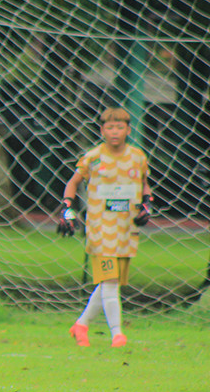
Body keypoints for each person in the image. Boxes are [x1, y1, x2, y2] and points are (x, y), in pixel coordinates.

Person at [58, 107, 152, 348]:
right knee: (110, 282)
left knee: (108, 283)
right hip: (101, 231)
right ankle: (117, 335)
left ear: (128, 130)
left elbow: (144, 186)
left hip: (126, 231)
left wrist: (147, 206)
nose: (114, 132)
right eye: (109, 127)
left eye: (120, 127)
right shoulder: (93, 158)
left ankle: (81, 325)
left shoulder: (138, 157)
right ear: (102, 130)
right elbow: (72, 183)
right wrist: (67, 209)